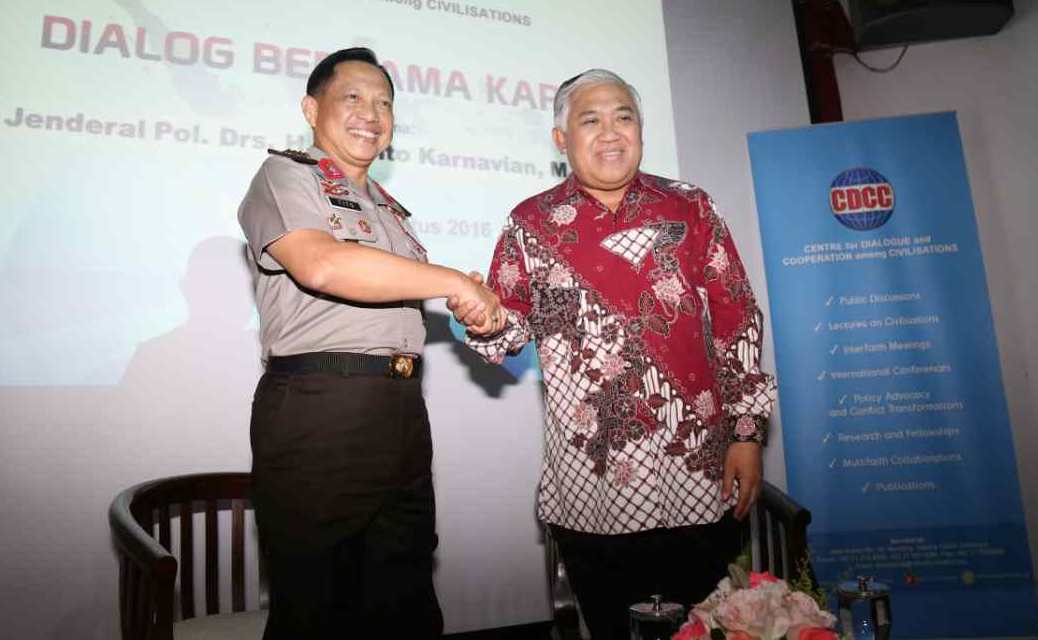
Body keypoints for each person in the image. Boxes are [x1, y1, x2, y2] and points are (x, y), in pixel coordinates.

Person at [455, 69, 776, 640]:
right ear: (561, 140)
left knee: (710, 627)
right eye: (591, 119)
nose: (610, 132)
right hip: (593, 482)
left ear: (641, 131)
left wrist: (747, 434)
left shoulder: (690, 207)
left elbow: (738, 318)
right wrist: (482, 318)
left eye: (623, 117)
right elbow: (507, 332)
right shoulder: (530, 224)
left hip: (700, 471)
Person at [238, 47, 505, 638]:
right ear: (312, 109)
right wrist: (452, 282)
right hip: (320, 407)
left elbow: (399, 299)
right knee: (316, 606)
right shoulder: (286, 175)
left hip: (401, 410)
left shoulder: (389, 208)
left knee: (405, 599)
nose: (372, 114)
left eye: (384, 103)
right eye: (353, 98)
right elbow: (323, 265)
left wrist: (472, 305)